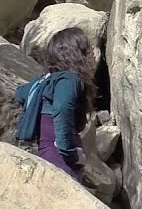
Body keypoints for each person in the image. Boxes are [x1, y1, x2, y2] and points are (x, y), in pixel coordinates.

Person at [14, 27, 96, 181]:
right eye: (88, 48)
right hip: (60, 161)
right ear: (78, 53)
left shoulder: (47, 81)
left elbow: (20, 93)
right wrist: (71, 154)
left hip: (47, 155)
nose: (93, 53)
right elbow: (62, 108)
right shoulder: (70, 80)